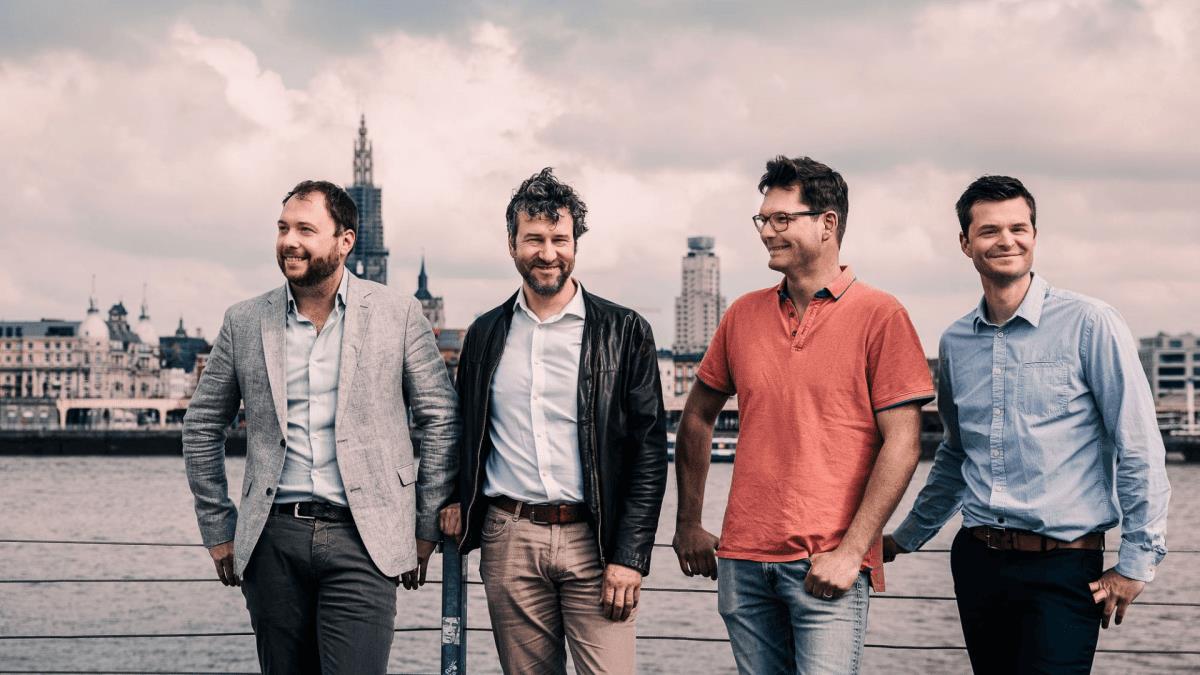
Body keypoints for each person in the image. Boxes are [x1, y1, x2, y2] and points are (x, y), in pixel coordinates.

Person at [884, 175, 1170, 674]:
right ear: (965, 243)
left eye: (1019, 227)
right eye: (990, 230)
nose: (1006, 240)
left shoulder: (1090, 323)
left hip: (1064, 567)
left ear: (1035, 236)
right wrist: (904, 538)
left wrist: (1136, 564)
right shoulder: (955, 342)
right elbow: (956, 455)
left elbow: (1139, 444)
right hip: (978, 561)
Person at [182, 180, 460, 674]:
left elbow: (440, 418)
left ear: (345, 241)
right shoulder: (244, 321)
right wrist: (217, 526)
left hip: (366, 539)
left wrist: (424, 524)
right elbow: (202, 425)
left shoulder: (399, 315)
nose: (290, 240)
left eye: (306, 229)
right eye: (283, 228)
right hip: (272, 541)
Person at [672, 155, 934, 674]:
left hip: (826, 566)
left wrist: (852, 552)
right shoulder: (742, 314)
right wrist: (687, 523)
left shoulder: (882, 315)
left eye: (782, 219)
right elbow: (697, 416)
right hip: (742, 564)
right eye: (763, 220)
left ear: (827, 223)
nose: (767, 231)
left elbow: (904, 443)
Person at [439, 167, 667, 674]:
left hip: (597, 540)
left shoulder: (625, 330)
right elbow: (464, 431)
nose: (547, 252)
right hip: (509, 538)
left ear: (576, 243)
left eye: (559, 239)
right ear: (511, 244)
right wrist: (457, 497)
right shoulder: (484, 335)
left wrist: (631, 556)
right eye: (534, 239)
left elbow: (648, 453)